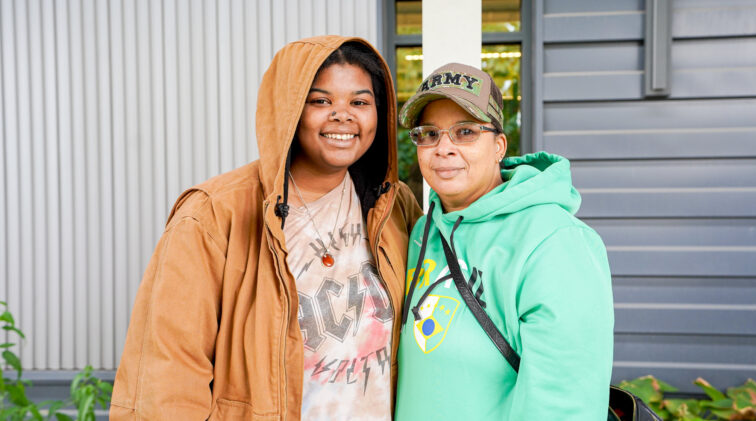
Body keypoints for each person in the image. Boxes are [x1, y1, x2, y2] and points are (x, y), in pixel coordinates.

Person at [110, 35, 422, 420]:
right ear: (289, 110)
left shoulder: (391, 204)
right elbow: (168, 373)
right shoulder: (213, 214)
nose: (342, 115)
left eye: (359, 102)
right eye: (320, 101)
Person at [394, 63, 614, 420]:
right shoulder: (422, 231)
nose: (443, 148)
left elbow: (564, 405)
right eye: (429, 134)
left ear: (499, 145)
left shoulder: (555, 242)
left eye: (465, 132)